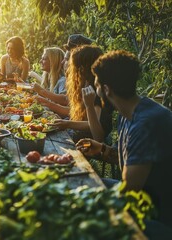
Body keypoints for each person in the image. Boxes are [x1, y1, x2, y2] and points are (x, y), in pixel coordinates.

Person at [76, 50, 172, 238]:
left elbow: (128, 192)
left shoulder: (145, 123)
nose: (95, 91)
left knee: (86, 210)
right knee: (84, 185)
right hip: (145, 197)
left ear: (106, 90)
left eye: (96, 84)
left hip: (159, 215)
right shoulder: (128, 112)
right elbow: (137, 160)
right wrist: (102, 149)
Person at [51, 45, 113, 142]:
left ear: (84, 68)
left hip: (88, 145)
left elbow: (96, 132)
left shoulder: (97, 91)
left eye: (74, 66)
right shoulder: (85, 84)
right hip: (76, 135)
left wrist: (67, 123)